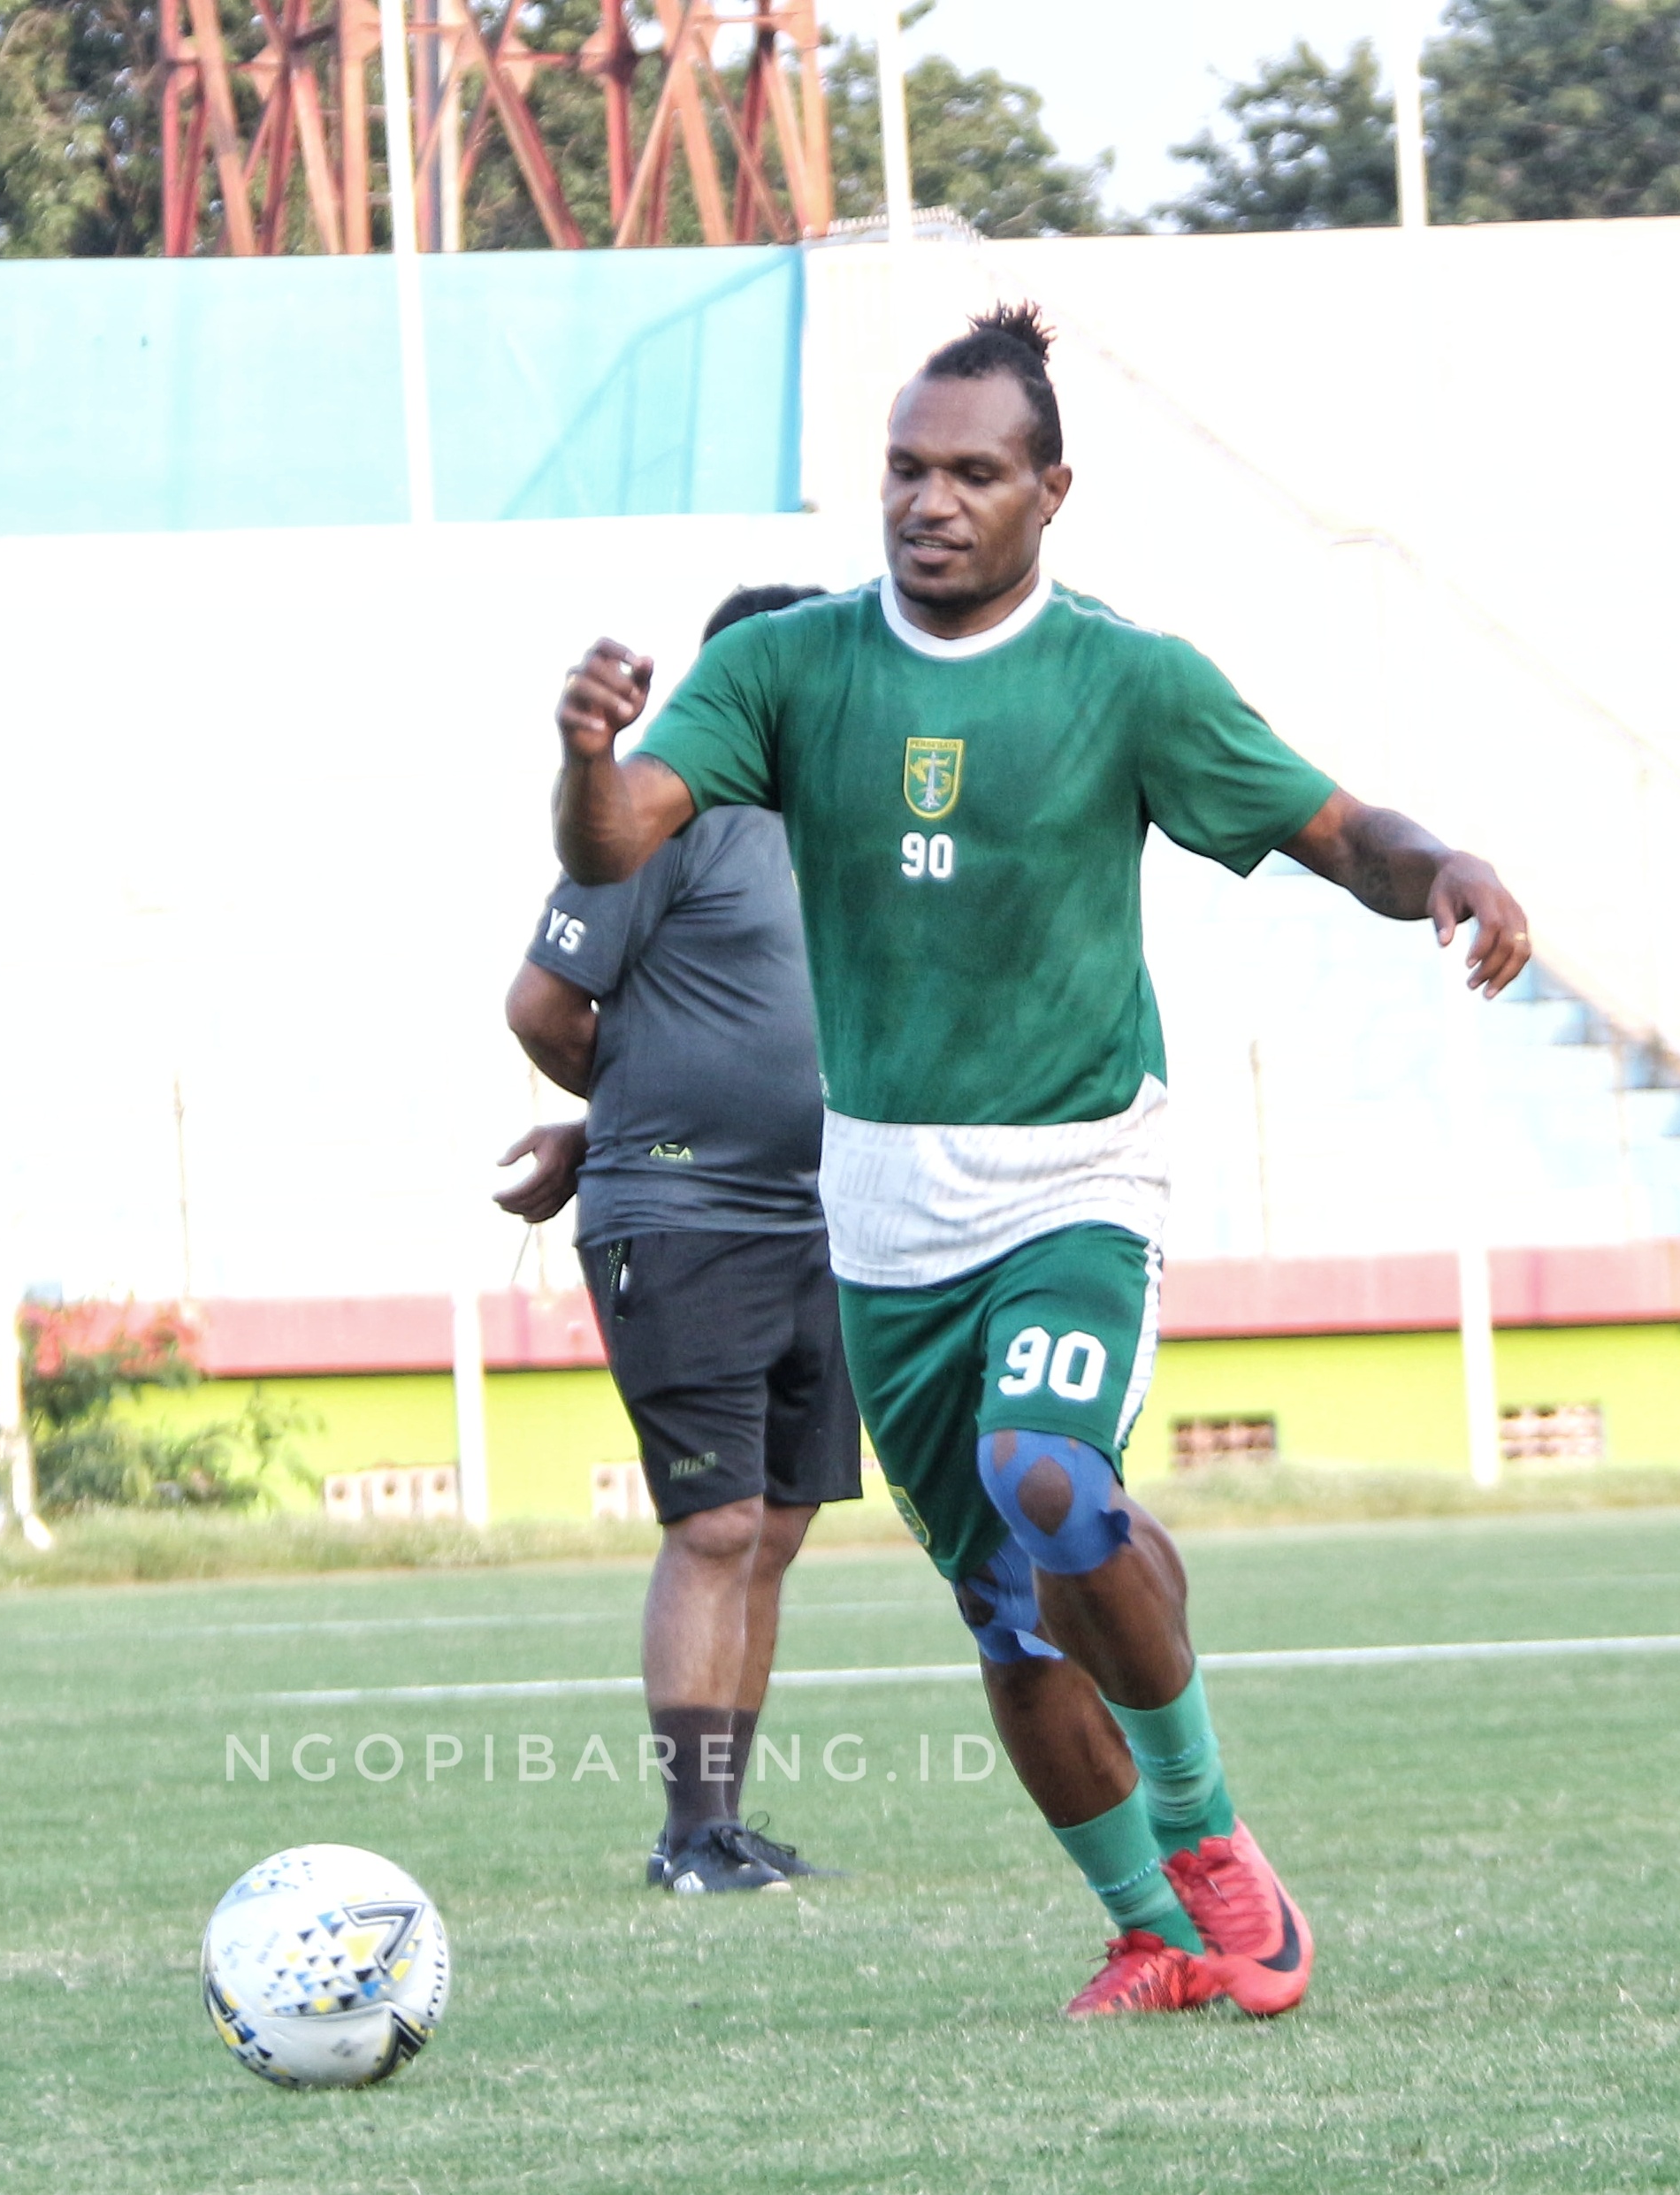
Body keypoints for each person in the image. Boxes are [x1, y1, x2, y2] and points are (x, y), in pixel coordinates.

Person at [540, 305, 1534, 2015]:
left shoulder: (1124, 680)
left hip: (1078, 1179)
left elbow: (1334, 829)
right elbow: (622, 837)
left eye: (972, 471)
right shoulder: (789, 668)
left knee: (1049, 1475)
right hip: (880, 1215)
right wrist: (583, 764)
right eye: (905, 468)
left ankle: (1213, 1839)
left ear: (1049, 489)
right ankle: (1149, 1928)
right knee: (1006, 1617)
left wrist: (1443, 862)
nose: (930, 500)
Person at [497, 583, 863, 1897]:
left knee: (773, 1525)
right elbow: (543, 1003)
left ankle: (724, 1820)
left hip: (825, 1226)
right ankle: (686, 1832)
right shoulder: (662, 819)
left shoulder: (860, 828)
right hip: (686, 1217)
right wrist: (621, 1124)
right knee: (712, 1523)